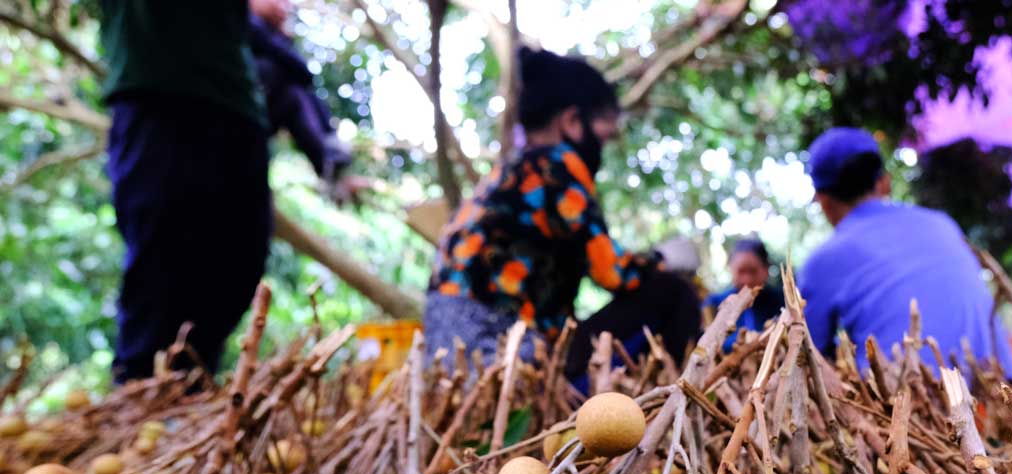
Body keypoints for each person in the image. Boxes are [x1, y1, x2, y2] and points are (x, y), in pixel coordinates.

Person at [426, 47, 699, 376]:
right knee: (674, 294)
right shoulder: (556, 164)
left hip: (463, 358)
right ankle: (672, 399)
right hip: (501, 356)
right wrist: (664, 259)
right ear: (572, 121)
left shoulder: (513, 172)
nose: (605, 146)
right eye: (605, 134)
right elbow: (612, 273)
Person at [101, 1, 271, 381]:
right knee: (159, 258)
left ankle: (191, 385)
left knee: (239, 264)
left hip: (236, 107)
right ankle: (140, 387)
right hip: (156, 91)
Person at [797, 127, 1012, 380]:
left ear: (824, 200)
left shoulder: (822, 262)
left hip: (913, 409)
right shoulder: (942, 223)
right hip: (1005, 392)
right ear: (884, 182)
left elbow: (809, 361)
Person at [248, 0, 369, 203]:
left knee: (296, 94)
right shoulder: (245, 21)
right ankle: (329, 160)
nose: (282, 7)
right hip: (236, 101)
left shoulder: (274, 35)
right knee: (291, 88)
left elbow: (303, 74)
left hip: (261, 112)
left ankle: (332, 160)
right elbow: (301, 70)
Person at [705, 237, 786, 335]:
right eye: (741, 271)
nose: (747, 280)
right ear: (730, 268)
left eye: (753, 271)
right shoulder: (714, 304)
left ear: (766, 269)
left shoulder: (783, 301)